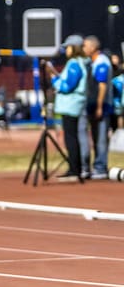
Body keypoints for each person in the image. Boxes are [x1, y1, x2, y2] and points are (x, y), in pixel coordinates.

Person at [46, 34, 87, 180]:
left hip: (71, 105)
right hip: (74, 104)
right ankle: (76, 168)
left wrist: (53, 77)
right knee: (73, 136)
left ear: (74, 48)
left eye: (68, 47)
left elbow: (67, 86)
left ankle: (74, 170)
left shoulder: (74, 63)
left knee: (71, 138)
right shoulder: (81, 62)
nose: (66, 50)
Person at [82, 35, 112, 180]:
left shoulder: (101, 62)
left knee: (101, 138)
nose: (83, 49)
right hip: (93, 105)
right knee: (95, 137)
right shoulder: (92, 62)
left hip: (102, 106)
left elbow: (102, 86)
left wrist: (99, 106)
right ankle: (98, 166)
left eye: (85, 46)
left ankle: (100, 167)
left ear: (93, 47)